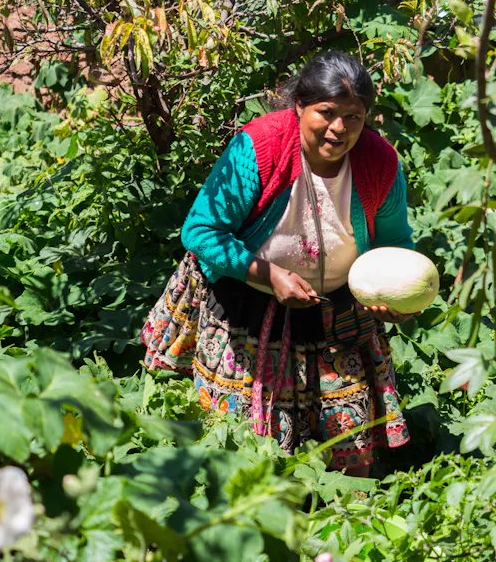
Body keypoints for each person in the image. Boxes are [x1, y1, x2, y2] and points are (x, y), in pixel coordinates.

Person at [141, 51, 417, 477]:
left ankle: (346, 520)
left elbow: (396, 243)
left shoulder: (379, 164)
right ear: (300, 106)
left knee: (349, 440)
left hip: (337, 308)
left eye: (354, 117)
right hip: (246, 298)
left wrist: (392, 296)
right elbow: (201, 232)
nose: (339, 129)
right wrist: (267, 274)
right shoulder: (261, 146)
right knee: (243, 442)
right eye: (326, 112)